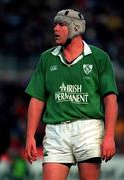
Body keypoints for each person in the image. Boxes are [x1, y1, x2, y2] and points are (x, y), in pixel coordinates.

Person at [25, 9, 118, 180]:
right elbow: (37, 99)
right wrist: (30, 135)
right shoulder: (47, 58)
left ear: (75, 27)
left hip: (88, 129)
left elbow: (110, 99)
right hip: (55, 131)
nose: (55, 28)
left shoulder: (99, 58)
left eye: (61, 24)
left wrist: (110, 136)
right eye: (55, 24)